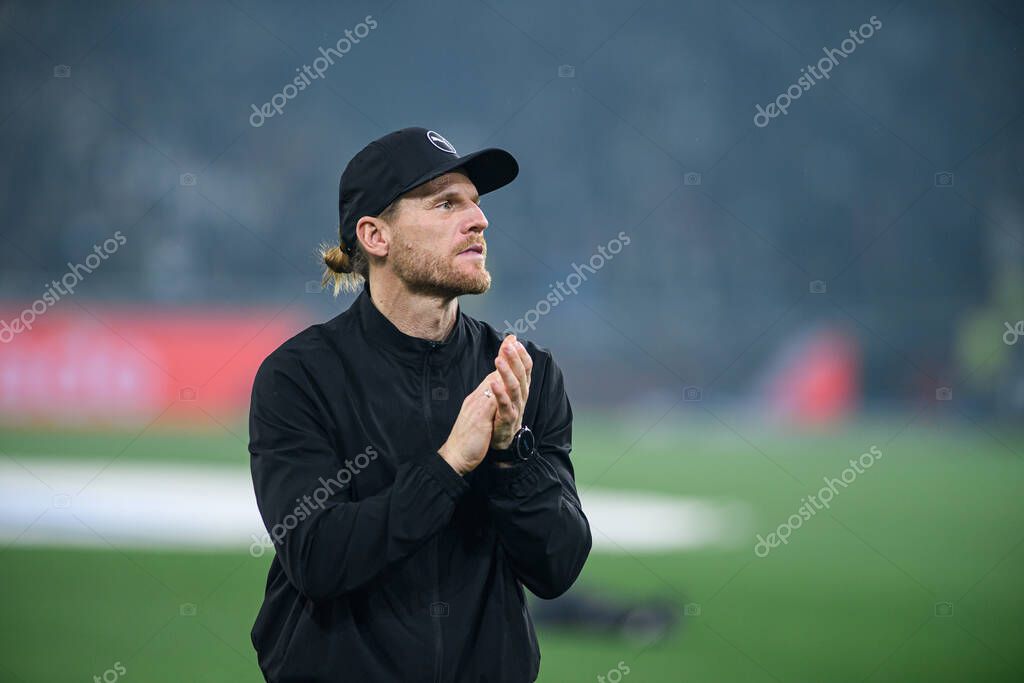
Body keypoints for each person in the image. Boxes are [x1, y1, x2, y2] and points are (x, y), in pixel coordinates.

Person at [248, 127, 592, 682]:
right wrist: (449, 464)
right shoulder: (300, 377)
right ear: (375, 236)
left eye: (476, 205)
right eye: (446, 204)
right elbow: (316, 559)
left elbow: (557, 567)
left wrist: (509, 457)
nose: (478, 221)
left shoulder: (521, 372)